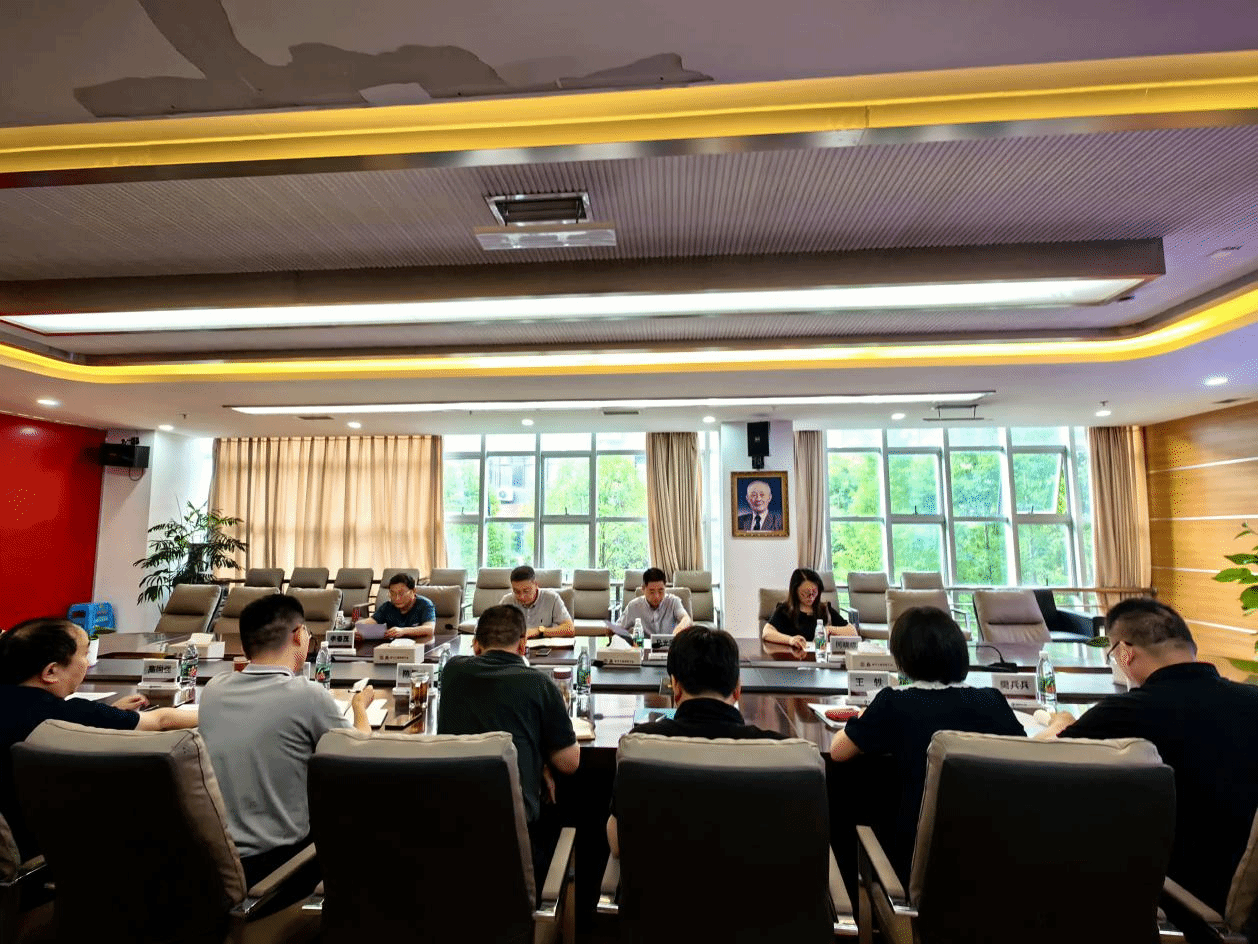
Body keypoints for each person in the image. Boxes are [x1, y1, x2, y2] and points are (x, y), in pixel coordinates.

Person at [1041, 598, 1258, 914]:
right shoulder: (1252, 700)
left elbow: (1038, 761)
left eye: (1114, 655)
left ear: (1125, 653)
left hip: (1181, 893)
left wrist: (1059, 722)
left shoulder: (1124, 712)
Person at [830, 606, 1024, 880]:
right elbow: (1026, 753)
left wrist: (863, 715)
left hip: (915, 869)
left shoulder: (894, 702)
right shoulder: (992, 701)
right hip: (995, 869)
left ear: (903, 658)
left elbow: (838, 751)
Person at [198, 593, 374, 893]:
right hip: (280, 868)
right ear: (298, 635)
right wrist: (359, 706)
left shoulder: (213, 690)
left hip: (216, 866)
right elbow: (359, 752)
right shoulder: (307, 694)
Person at [0, 617, 198, 858]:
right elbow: (162, 720)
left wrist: (110, 713)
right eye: (84, 654)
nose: (87, 663)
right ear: (51, 671)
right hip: (38, 850)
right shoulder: (67, 714)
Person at [606, 625, 783, 856]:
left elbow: (618, 843)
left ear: (675, 687)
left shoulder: (639, 745)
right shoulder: (780, 752)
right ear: (737, 689)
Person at [438, 604, 579, 885]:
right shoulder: (539, 684)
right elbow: (569, 763)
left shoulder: (452, 672)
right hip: (516, 837)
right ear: (523, 645)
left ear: (476, 645)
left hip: (453, 826)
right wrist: (540, 759)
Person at [762, 567, 855, 648]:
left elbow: (852, 632)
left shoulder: (824, 609)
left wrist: (829, 629)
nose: (811, 597)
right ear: (795, 591)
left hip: (819, 658)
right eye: (806, 593)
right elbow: (767, 633)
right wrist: (790, 640)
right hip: (792, 658)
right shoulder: (785, 610)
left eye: (814, 592)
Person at [501, 565, 574, 638]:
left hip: (545, 644)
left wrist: (539, 631)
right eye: (516, 592)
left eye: (526, 591)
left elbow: (570, 629)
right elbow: (495, 628)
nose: (521, 597)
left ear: (536, 585)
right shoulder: (507, 601)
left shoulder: (552, 598)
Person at [357, 572, 435, 640]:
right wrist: (357, 629)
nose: (397, 598)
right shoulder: (388, 606)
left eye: (401, 593)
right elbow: (370, 621)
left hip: (419, 645)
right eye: (393, 594)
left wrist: (403, 631)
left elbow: (429, 629)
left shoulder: (425, 604)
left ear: (413, 591)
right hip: (392, 646)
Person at [618, 566, 693, 636]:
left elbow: (686, 619)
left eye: (660, 591)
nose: (657, 597)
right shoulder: (633, 606)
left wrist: (678, 629)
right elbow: (618, 628)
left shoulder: (673, 602)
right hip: (645, 645)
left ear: (665, 588)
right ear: (643, 589)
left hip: (669, 644)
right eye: (652, 592)